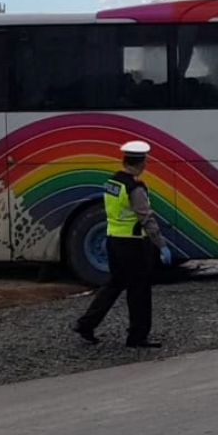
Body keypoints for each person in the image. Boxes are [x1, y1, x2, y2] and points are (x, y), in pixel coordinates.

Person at [74, 140, 171, 348]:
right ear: (141, 163)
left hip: (113, 241)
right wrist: (161, 244)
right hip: (133, 244)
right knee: (140, 290)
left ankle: (86, 324)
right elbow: (146, 218)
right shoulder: (135, 188)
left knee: (114, 285)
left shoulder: (113, 182)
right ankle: (137, 336)